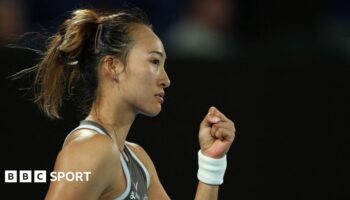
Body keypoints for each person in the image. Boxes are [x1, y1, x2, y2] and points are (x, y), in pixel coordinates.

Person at [15, 7, 236, 200]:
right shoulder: (90, 149)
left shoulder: (138, 160)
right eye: (154, 61)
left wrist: (211, 161)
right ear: (113, 66)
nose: (166, 79)